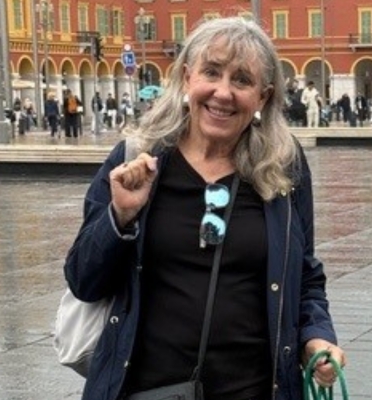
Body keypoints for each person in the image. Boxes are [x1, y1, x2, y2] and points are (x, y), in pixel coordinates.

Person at [63, 16, 346, 400]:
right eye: (211, 72)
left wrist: (317, 336)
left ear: (262, 97)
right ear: (186, 78)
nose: (223, 92)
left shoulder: (283, 167)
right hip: (145, 391)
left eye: (242, 80)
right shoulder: (137, 157)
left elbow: (305, 274)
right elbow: (83, 279)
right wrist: (120, 216)